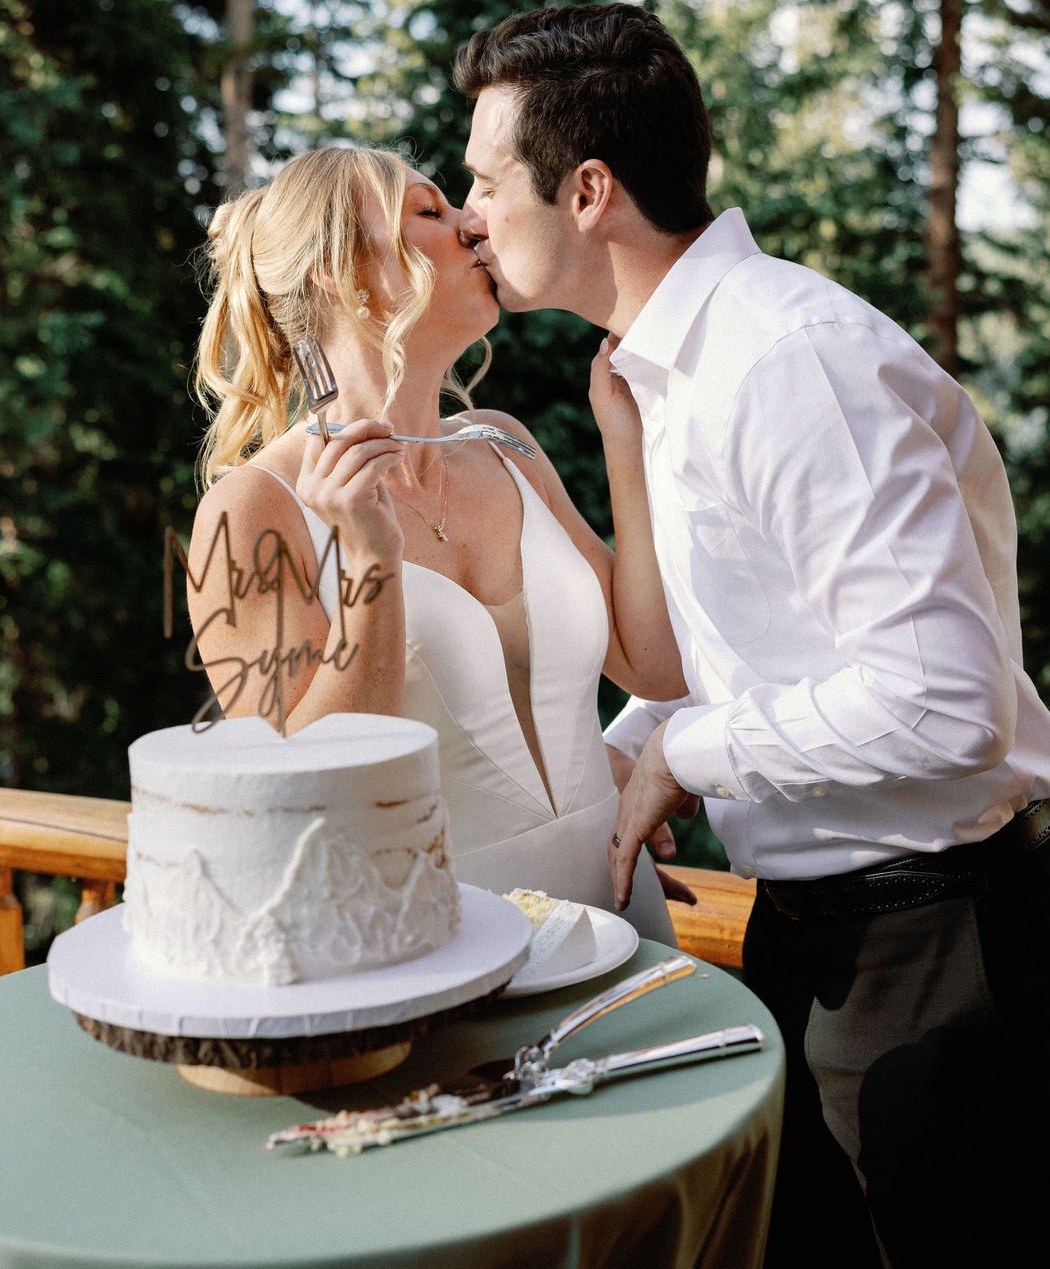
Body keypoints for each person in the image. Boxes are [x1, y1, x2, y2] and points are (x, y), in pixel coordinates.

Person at [454, 4, 1050, 1266]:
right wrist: (616, 760)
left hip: (945, 946)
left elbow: (943, 701)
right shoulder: (670, 376)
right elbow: (756, 651)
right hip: (823, 934)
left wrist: (687, 757)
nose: (468, 207)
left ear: (587, 190)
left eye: (485, 179)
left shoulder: (788, 362)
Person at [184, 144, 684, 946]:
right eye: (432, 212)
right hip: (444, 952)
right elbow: (305, 791)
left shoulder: (504, 444)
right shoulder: (251, 511)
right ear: (339, 273)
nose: (475, 223)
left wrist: (626, 443)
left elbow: (652, 662)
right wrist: (369, 563)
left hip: (626, 920)